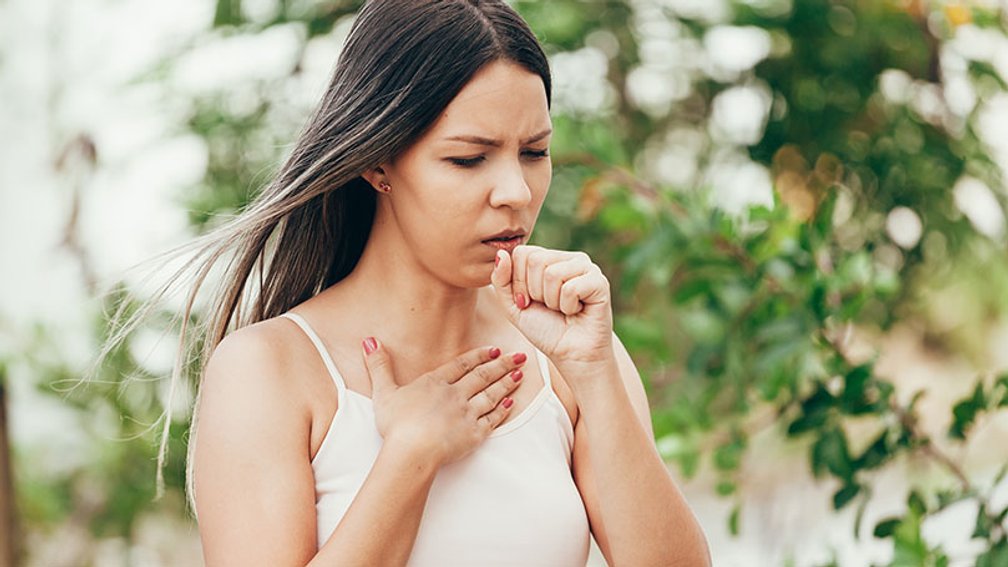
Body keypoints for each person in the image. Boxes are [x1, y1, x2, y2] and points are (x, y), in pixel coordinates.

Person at [178, 0, 710, 565]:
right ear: (378, 162)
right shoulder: (270, 369)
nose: (516, 192)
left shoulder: (570, 358)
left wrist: (597, 376)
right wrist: (410, 457)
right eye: (468, 159)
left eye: (535, 152)